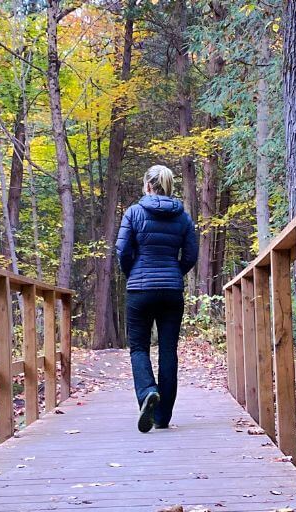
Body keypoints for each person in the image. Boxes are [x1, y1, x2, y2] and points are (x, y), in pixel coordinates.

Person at [116, 165, 198, 433]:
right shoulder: (183, 218)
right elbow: (190, 255)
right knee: (167, 351)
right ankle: (162, 417)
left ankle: (148, 392)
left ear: (147, 185)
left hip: (140, 289)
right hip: (171, 290)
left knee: (139, 348)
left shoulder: (134, 212)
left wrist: (133, 274)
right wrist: (175, 273)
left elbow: (123, 251)